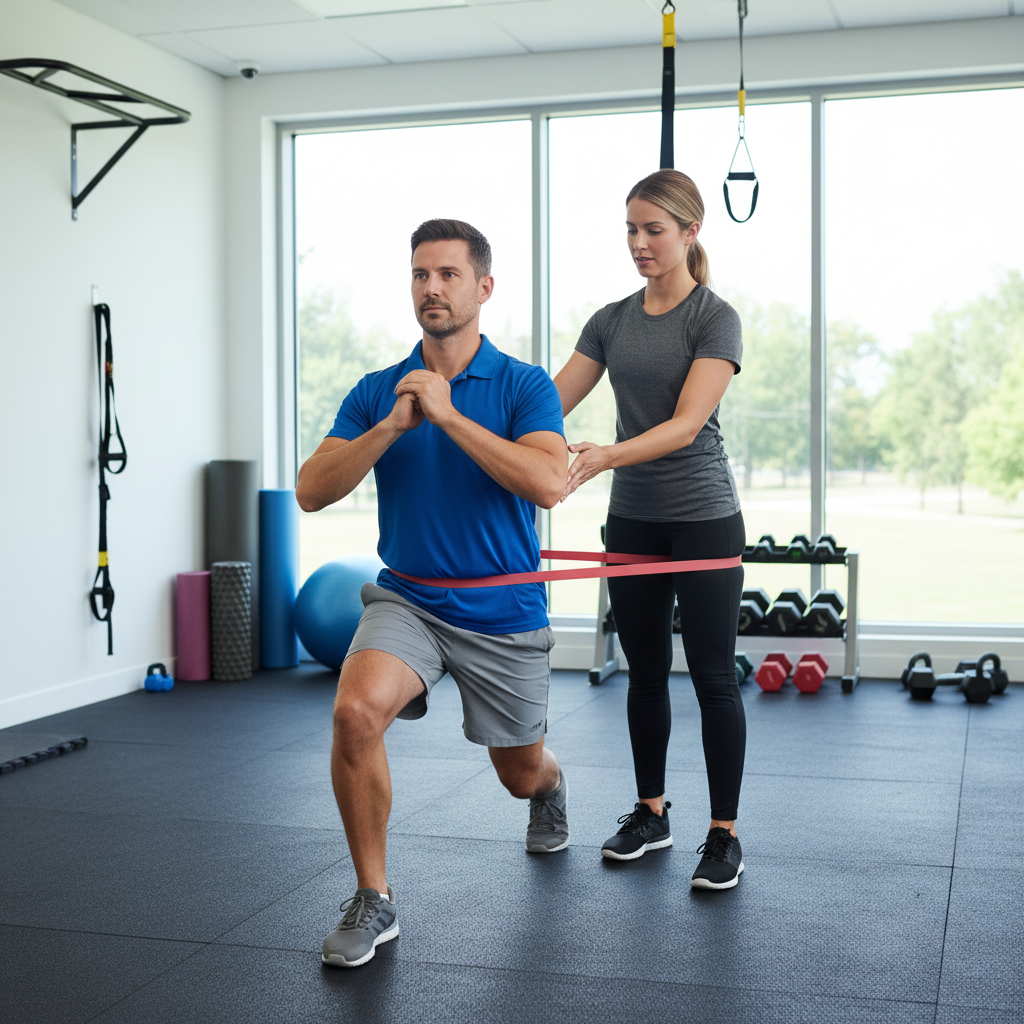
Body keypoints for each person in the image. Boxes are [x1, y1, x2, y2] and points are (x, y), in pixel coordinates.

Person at [296, 218, 570, 968]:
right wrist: (391, 427)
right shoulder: (378, 391)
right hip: (408, 599)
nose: (431, 288)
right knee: (354, 713)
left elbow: (551, 483)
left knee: (518, 775)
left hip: (503, 608)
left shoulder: (523, 385)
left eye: (448, 274)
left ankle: (550, 784)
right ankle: (374, 896)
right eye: (420, 274)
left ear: (483, 288)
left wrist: (448, 416)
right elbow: (310, 491)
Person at [552, 169, 746, 890]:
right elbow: (551, 401)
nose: (638, 244)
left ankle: (724, 834)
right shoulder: (610, 320)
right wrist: (480, 428)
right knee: (643, 672)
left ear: (690, 232)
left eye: (653, 230)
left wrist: (602, 456)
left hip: (702, 517)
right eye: (630, 230)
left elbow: (687, 424)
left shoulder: (713, 318)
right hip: (632, 516)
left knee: (713, 678)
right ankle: (650, 812)